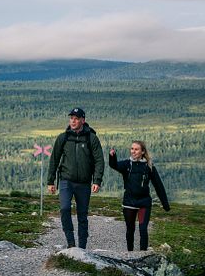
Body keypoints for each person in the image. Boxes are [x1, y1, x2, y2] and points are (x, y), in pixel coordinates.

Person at [46, 107, 105, 249]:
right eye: (71, 118)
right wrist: (50, 181)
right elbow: (54, 159)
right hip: (66, 180)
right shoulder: (63, 137)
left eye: (76, 118)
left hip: (84, 183)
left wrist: (97, 180)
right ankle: (71, 243)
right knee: (65, 208)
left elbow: (99, 160)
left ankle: (83, 247)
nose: (73, 121)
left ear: (83, 120)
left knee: (82, 215)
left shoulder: (91, 138)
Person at [109, 141, 170, 251]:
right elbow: (114, 165)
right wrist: (112, 156)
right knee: (130, 229)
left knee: (143, 229)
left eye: (136, 149)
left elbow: (158, 186)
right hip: (129, 202)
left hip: (144, 202)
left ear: (142, 151)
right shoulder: (127, 164)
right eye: (132, 148)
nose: (133, 151)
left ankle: (143, 255)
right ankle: (130, 253)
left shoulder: (149, 166)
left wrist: (165, 205)